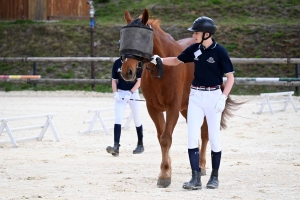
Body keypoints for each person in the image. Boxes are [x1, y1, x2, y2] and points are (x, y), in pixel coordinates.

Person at [150, 16, 235, 190]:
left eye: (196, 32)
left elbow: (230, 78)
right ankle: (195, 178)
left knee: (215, 138)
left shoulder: (220, 52)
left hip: (213, 96)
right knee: (191, 138)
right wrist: (158, 60)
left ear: (206, 34)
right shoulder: (194, 50)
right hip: (195, 96)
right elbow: (175, 60)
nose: (193, 35)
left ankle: (214, 177)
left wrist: (223, 97)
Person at [106, 40, 144, 157]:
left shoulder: (135, 63)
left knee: (137, 119)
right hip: (121, 94)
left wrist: (131, 92)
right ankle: (116, 146)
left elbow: (139, 81)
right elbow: (114, 80)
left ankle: (140, 144)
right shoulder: (117, 63)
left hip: (132, 94)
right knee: (118, 118)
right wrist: (115, 93)